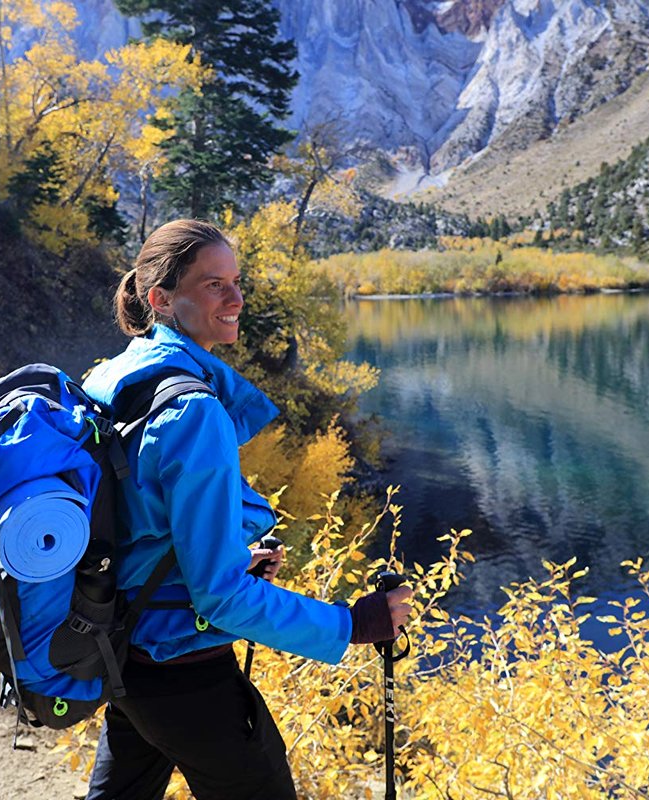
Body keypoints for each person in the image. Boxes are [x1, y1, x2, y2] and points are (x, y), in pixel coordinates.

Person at [80, 219, 413, 800]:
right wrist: (351, 625)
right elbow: (220, 599)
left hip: (123, 655)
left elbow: (137, 526)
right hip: (185, 671)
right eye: (214, 285)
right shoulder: (193, 411)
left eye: (235, 282)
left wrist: (233, 556)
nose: (236, 299)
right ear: (161, 299)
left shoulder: (111, 378)